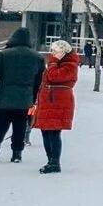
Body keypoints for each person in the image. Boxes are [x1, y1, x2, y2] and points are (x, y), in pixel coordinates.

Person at [0, 27, 45, 165]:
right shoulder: (38, 58)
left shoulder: (4, 55)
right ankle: (17, 154)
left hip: (4, 99)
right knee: (20, 127)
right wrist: (34, 99)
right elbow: (39, 82)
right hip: (25, 100)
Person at [31, 39, 79, 174]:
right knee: (46, 131)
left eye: (54, 51)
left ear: (62, 52)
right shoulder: (59, 63)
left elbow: (54, 76)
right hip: (49, 101)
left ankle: (54, 162)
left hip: (58, 102)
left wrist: (52, 62)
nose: (51, 54)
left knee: (53, 132)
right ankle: (50, 160)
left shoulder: (70, 65)